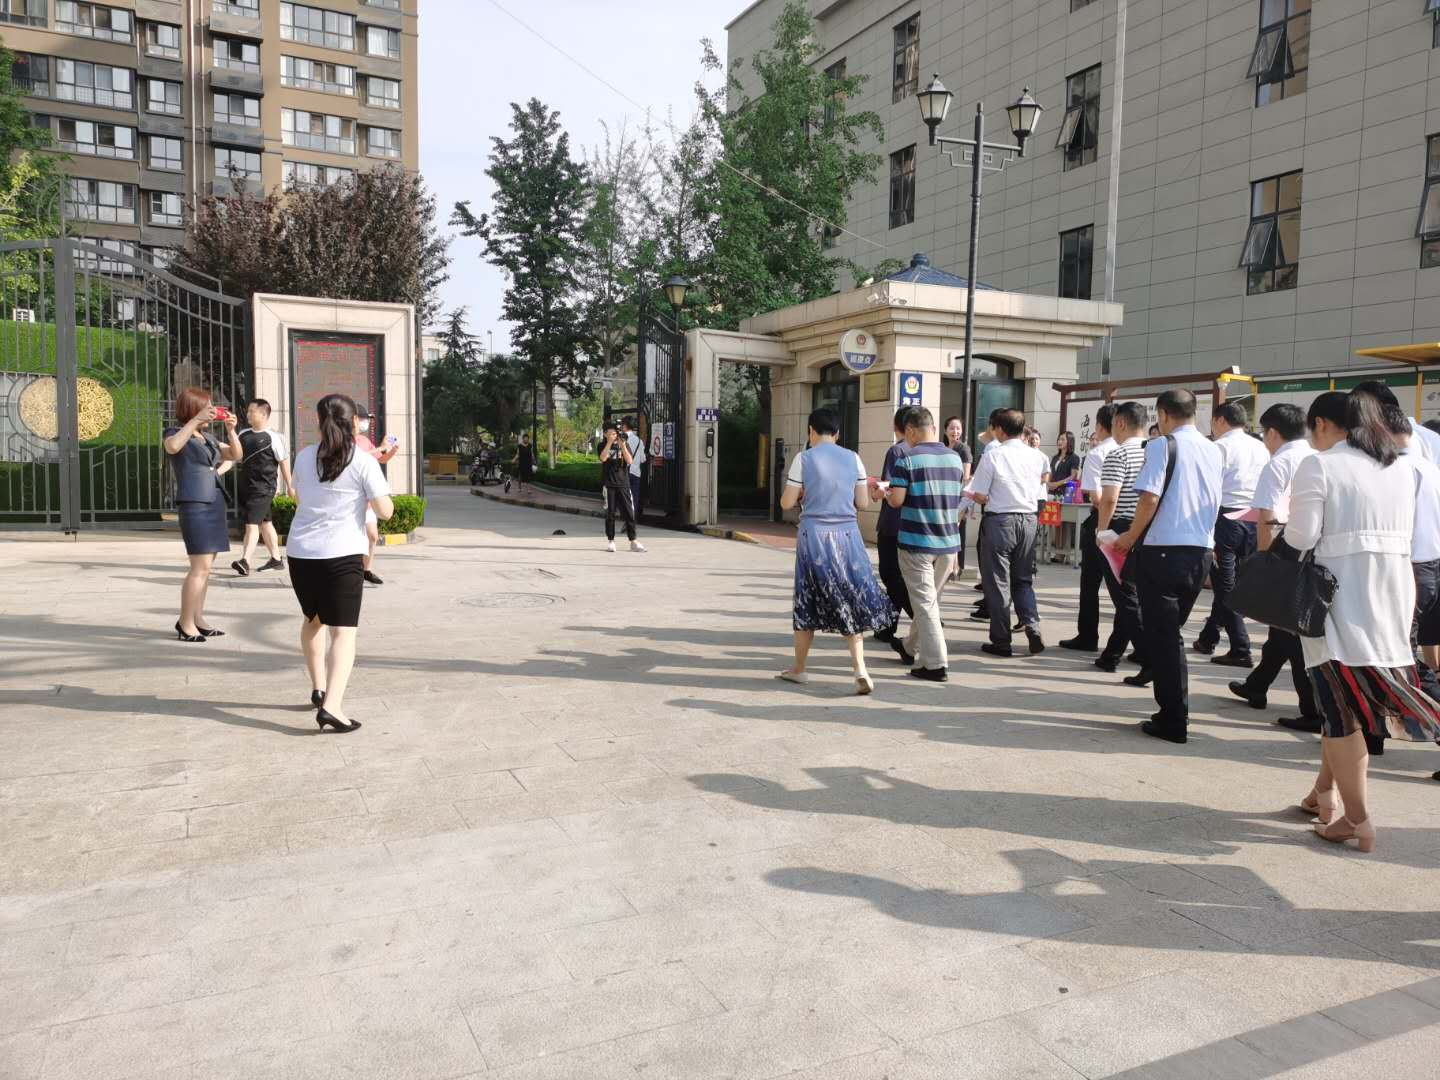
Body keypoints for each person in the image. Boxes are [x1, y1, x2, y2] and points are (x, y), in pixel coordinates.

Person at [1282, 389, 1440, 852]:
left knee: (1339, 709)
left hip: (1337, 597)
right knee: (1351, 696)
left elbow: (1302, 536)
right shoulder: (1400, 466)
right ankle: (1323, 793)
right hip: (1393, 593)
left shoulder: (1321, 466)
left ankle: (1357, 819)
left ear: (1323, 424)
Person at [1112, 389, 1222, 744]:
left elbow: (1149, 497)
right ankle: (1172, 711)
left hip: (1163, 552)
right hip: (1200, 551)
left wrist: (1129, 536)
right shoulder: (1213, 449)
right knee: (1169, 635)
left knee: (1166, 638)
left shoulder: (1162, 445)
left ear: (1162, 414)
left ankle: (1173, 718)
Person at [286, 393, 394, 733]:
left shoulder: (305, 456)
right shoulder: (362, 461)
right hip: (342, 554)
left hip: (301, 553)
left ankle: (318, 689)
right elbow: (385, 511)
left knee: (313, 620)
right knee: (343, 633)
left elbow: (297, 496)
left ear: (318, 421)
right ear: (354, 423)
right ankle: (332, 707)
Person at [779, 409, 893, 694]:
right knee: (849, 596)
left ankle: (799, 669)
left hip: (814, 537)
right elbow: (862, 503)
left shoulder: (803, 459)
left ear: (811, 431)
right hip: (848, 536)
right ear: (838, 433)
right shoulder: (853, 458)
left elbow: (786, 503)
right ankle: (860, 669)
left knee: (807, 598)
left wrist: (802, 493)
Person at [1225, 403, 1321, 731]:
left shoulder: (1278, 463)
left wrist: (1265, 561)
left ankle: (1312, 709)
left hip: (1285, 551)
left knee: (1291, 632)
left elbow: (1266, 517)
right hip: (1314, 551)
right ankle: (1257, 684)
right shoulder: (1315, 456)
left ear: (1274, 433)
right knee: (1282, 629)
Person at [878, 407, 965, 682]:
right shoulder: (954, 459)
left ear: (911, 431)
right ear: (934, 428)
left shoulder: (907, 459)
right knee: (930, 601)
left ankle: (935, 664)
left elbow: (896, 501)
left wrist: (883, 492)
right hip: (948, 544)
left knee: (925, 605)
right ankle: (908, 646)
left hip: (917, 542)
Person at [966, 408, 1050, 657]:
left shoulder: (993, 455)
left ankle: (1001, 641)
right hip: (1029, 520)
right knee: (1023, 580)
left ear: (1000, 430)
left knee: (998, 582)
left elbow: (980, 494)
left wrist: (969, 494)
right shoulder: (1036, 456)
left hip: (1001, 521)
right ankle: (1032, 625)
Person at [164, 388, 243, 641]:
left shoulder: (208, 438)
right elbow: (173, 447)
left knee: (207, 568)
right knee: (199, 568)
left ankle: (198, 618)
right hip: (194, 504)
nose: (212, 410)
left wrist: (231, 430)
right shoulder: (175, 432)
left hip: (214, 501)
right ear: (193, 408)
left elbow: (236, 454)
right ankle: (185, 623)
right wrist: (195, 421)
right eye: (206, 406)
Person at [1195, 403, 1269, 666]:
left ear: (1220, 420)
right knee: (1229, 583)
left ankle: (1240, 647)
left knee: (1226, 585)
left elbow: (1208, 490)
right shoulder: (1260, 446)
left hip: (1226, 518)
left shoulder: (1219, 448)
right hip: (1253, 519)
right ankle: (1208, 637)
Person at [1093, 401, 1148, 673]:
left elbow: (1109, 498)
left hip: (1120, 527)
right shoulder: (1154, 451)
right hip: (1145, 527)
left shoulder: (1119, 454)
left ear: (1121, 423)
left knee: (1125, 597)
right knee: (1129, 593)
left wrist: (1102, 531)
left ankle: (1149, 653)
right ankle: (1112, 654)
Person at [1061, 405, 1116, 652]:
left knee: (1091, 583)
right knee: (1125, 589)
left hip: (1102, 521)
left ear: (1100, 426)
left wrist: (1101, 530)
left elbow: (1097, 497)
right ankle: (1136, 643)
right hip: (1130, 523)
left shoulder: (1098, 452)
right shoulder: (1138, 450)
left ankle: (1088, 636)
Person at [231, 399, 294, 577]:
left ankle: (245, 561)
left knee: (251, 524)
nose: (248, 414)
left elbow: (284, 463)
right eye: (248, 411)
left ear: (264, 414)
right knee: (266, 523)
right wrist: (216, 471)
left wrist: (290, 487)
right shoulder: (243, 434)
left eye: (252, 411)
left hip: (264, 488)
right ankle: (276, 559)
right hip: (247, 488)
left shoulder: (275, 437)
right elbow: (234, 457)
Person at [874, 407, 916, 660]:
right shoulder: (923, 451)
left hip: (893, 522)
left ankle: (922, 619)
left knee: (891, 575)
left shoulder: (897, 451)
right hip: (914, 524)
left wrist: (876, 490)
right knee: (899, 578)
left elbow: (889, 486)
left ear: (896, 426)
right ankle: (887, 626)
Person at [354, 405, 398, 586]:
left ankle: (367, 570)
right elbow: (357, 457)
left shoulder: (364, 440)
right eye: (363, 419)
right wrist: (381, 447)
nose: (366, 423)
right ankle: (354, 571)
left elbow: (380, 458)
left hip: (368, 500)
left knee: (372, 535)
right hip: (353, 502)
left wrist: (391, 450)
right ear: (353, 419)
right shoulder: (343, 441)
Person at [599, 420, 645, 553]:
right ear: (605, 434)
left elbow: (630, 461)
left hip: (624, 483)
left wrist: (623, 446)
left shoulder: (624, 444)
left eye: (616, 432)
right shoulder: (602, 445)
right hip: (609, 484)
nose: (614, 435)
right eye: (611, 433)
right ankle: (611, 541)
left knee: (629, 512)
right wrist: (609, 443)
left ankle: (633, 541)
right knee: (610, 514)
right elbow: (603, 458)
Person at [942, 415, 974, 573]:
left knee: (953, 530)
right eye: (952, 428)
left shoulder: (963, 449)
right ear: (945, 430)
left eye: (958, 428)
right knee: (950, 530)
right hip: (945, 495)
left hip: (959, 496)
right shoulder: (943, 448)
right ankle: (953, 567)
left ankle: (954, 567)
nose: (955, 431)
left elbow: (965, 477)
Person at [619, 417, 646, 519]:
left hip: (624, 473)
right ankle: (632, 518)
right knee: (634, 497)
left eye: (622, 425)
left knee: (623, 496)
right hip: (636, 473)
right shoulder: (639, 441)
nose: (621, 427)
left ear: (625, 426)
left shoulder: (621, 440)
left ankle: (625, 516)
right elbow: (643, 459)